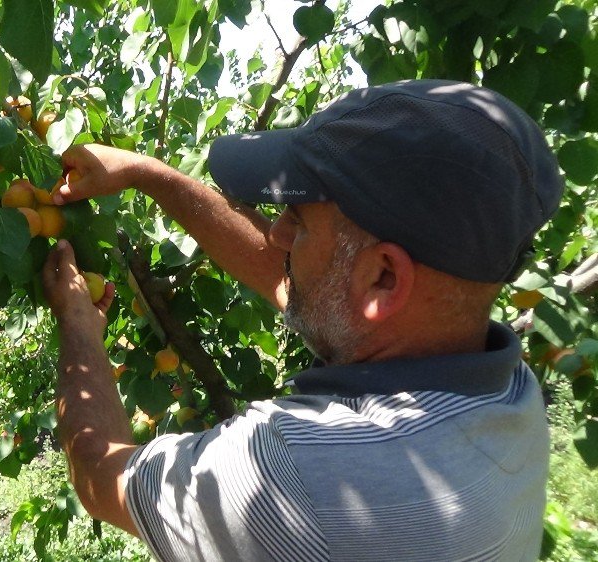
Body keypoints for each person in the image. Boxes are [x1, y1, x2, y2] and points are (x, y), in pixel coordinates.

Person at [41, 79, 563, 561]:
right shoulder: (509, 392)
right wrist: (149, 174)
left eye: (302, 221)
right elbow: (315, 288)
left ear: (383, 278)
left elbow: (101, 474)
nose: (277, 235)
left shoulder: (300, 474)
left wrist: (79, 327)